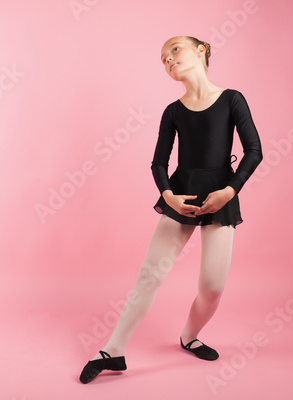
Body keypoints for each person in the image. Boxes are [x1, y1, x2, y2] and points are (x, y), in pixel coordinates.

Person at [79, 35, 263, 384]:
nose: (168, 60)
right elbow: (158, 163)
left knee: (212, 287)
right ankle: (112, 352)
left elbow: (254, 150)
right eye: (163, 59)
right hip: (181, 194)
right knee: (149, 276)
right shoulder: (173, 111)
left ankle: (189, 336)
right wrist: (169, 196)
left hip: (221, 193)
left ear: (201, 50)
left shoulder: (231, 100)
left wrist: (229, 191)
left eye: (174, 50)